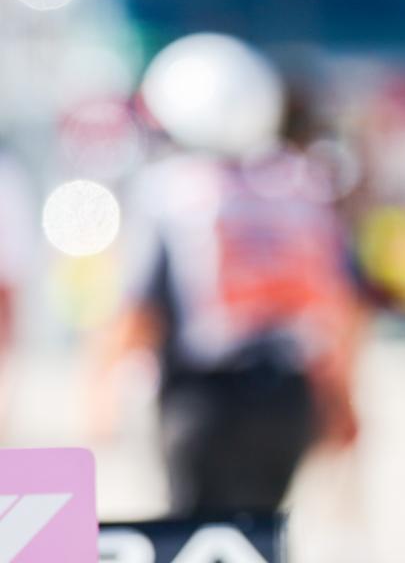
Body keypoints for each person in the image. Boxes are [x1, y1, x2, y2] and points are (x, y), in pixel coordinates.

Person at [97, 33, 364, 515]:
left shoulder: (171, 192)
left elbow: (140, 309)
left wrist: (99, 396)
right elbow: (339, 307)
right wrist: (342, 402)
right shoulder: (301, 186)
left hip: (202, 400)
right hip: (288, 398)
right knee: (262, 531)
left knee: (198, 533)